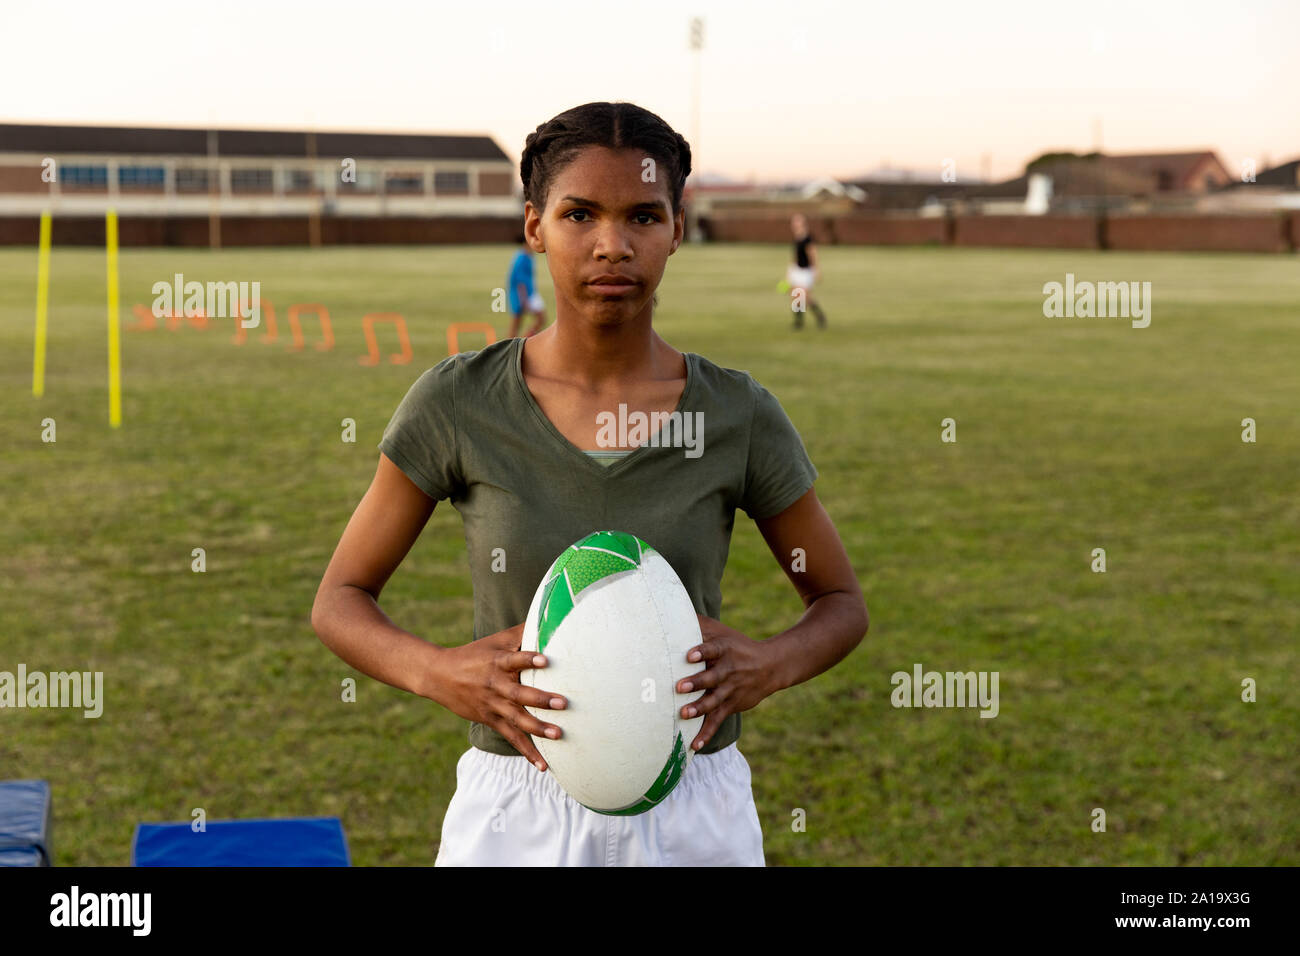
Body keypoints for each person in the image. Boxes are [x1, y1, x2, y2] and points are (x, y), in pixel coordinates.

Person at [312, 101, 868, 866]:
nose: (613, 244)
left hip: (693, 809)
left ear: (678, 226)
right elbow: (340, 598)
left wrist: (768, 664)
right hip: (516, 809)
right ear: (535, 226)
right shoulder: (459, 402)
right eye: (580, 215)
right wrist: (440, 672)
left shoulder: (738, 412)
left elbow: (840, 603)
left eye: (642, 215)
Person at [787, 212, 828, 330]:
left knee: (805, 296)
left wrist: (816, 270)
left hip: (806, 271)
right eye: (793, 222)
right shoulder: (797, 237)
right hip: (797, 270)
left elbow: (813, 254)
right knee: (796, 297)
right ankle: (798, 322)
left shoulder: (808, 238)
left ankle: (820, 316)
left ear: (803, 223)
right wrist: (790, 270)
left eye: (797, 221)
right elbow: (795, 256)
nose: (794, 224)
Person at [505, 232, 547, 338]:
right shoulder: (521, 258)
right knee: (516, 323)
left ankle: (525, 340)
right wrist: (523, 299)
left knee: (541, 318)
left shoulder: (529, 256)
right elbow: (518, 281)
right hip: (521, 295)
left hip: (531, 292)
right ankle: (510, 348)